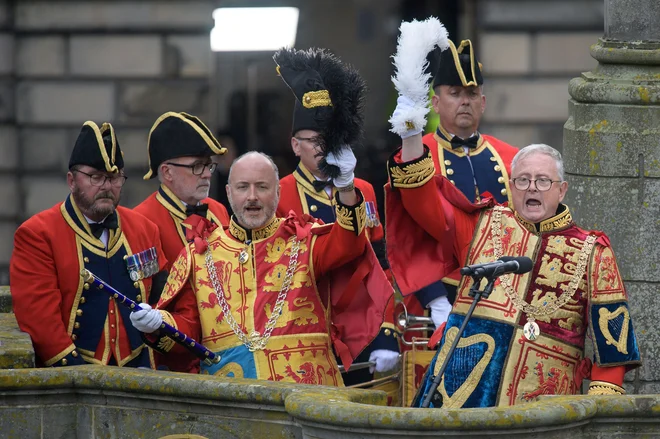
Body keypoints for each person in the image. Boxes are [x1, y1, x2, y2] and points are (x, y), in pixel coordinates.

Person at [385, 137, 641, 407]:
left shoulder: (593, 251)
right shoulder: (480, 225)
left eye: (543, 180)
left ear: (562, 190)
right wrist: (411, 132)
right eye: (523, 180)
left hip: (545, 409)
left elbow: (614, 348)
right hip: (460, 398)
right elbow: (421, 202)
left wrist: (598, 415)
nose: (532, 188)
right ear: (510, 186)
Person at [130, 150, 391, 385]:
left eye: (262, 187)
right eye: (243, 187)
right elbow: (188, 333)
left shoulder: (305, 241)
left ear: (278, 192)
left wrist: (345, 188)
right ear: (229, 192)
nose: (252, 197)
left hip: (307, 398)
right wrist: (160, 324)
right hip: (234, 405)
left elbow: (350, 244)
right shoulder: (198, 255)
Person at [274, 47, 399, 385]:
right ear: (295, 145)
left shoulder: (362, 189)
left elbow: (380, 263)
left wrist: (385, 330)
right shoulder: (277, 193)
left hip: (361, 328)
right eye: (312, 140)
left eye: (327, 140)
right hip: (305, 329)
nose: (321, 148)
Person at [10, 121, 167, 368]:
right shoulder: (37, 234)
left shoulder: (145, 229)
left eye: (114, 178)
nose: (106, 186)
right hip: (75, 375)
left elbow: (163, 300)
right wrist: (80, 377)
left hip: (140, 370)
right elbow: (39, 319)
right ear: (71, 180)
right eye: (95, 177)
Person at [394, 39, 520, 334]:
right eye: (455, 93)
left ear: (483, 102)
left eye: (472, 93)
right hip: (439, 297)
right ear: (436, 103)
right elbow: (407, 237)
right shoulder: (413, 157)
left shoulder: (512, 157)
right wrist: (435, 299)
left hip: (504, 294)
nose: (465, 101)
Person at [134, 111, 230, 372]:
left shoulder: (218, 210)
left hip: (226, 348)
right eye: (197, 166)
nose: (207, 174)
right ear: (167, 173)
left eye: (209, 165)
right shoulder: (141, 221)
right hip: (173, 359)